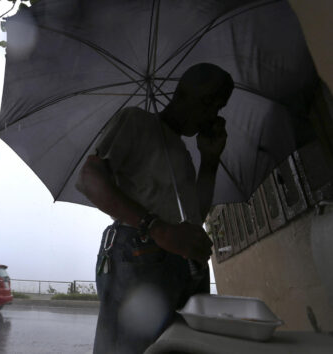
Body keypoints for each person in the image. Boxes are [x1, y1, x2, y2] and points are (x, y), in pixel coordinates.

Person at [76, 63, 234, 354]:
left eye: (219, 106)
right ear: (182, 93)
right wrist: (157, 228)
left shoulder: (183, 151)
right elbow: (89, 178)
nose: (213, 113)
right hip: (141, 253)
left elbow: (194, 216)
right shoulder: (136, 121)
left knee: (183, 346)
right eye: (208, 102)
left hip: (183, 262)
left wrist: (209, 160)